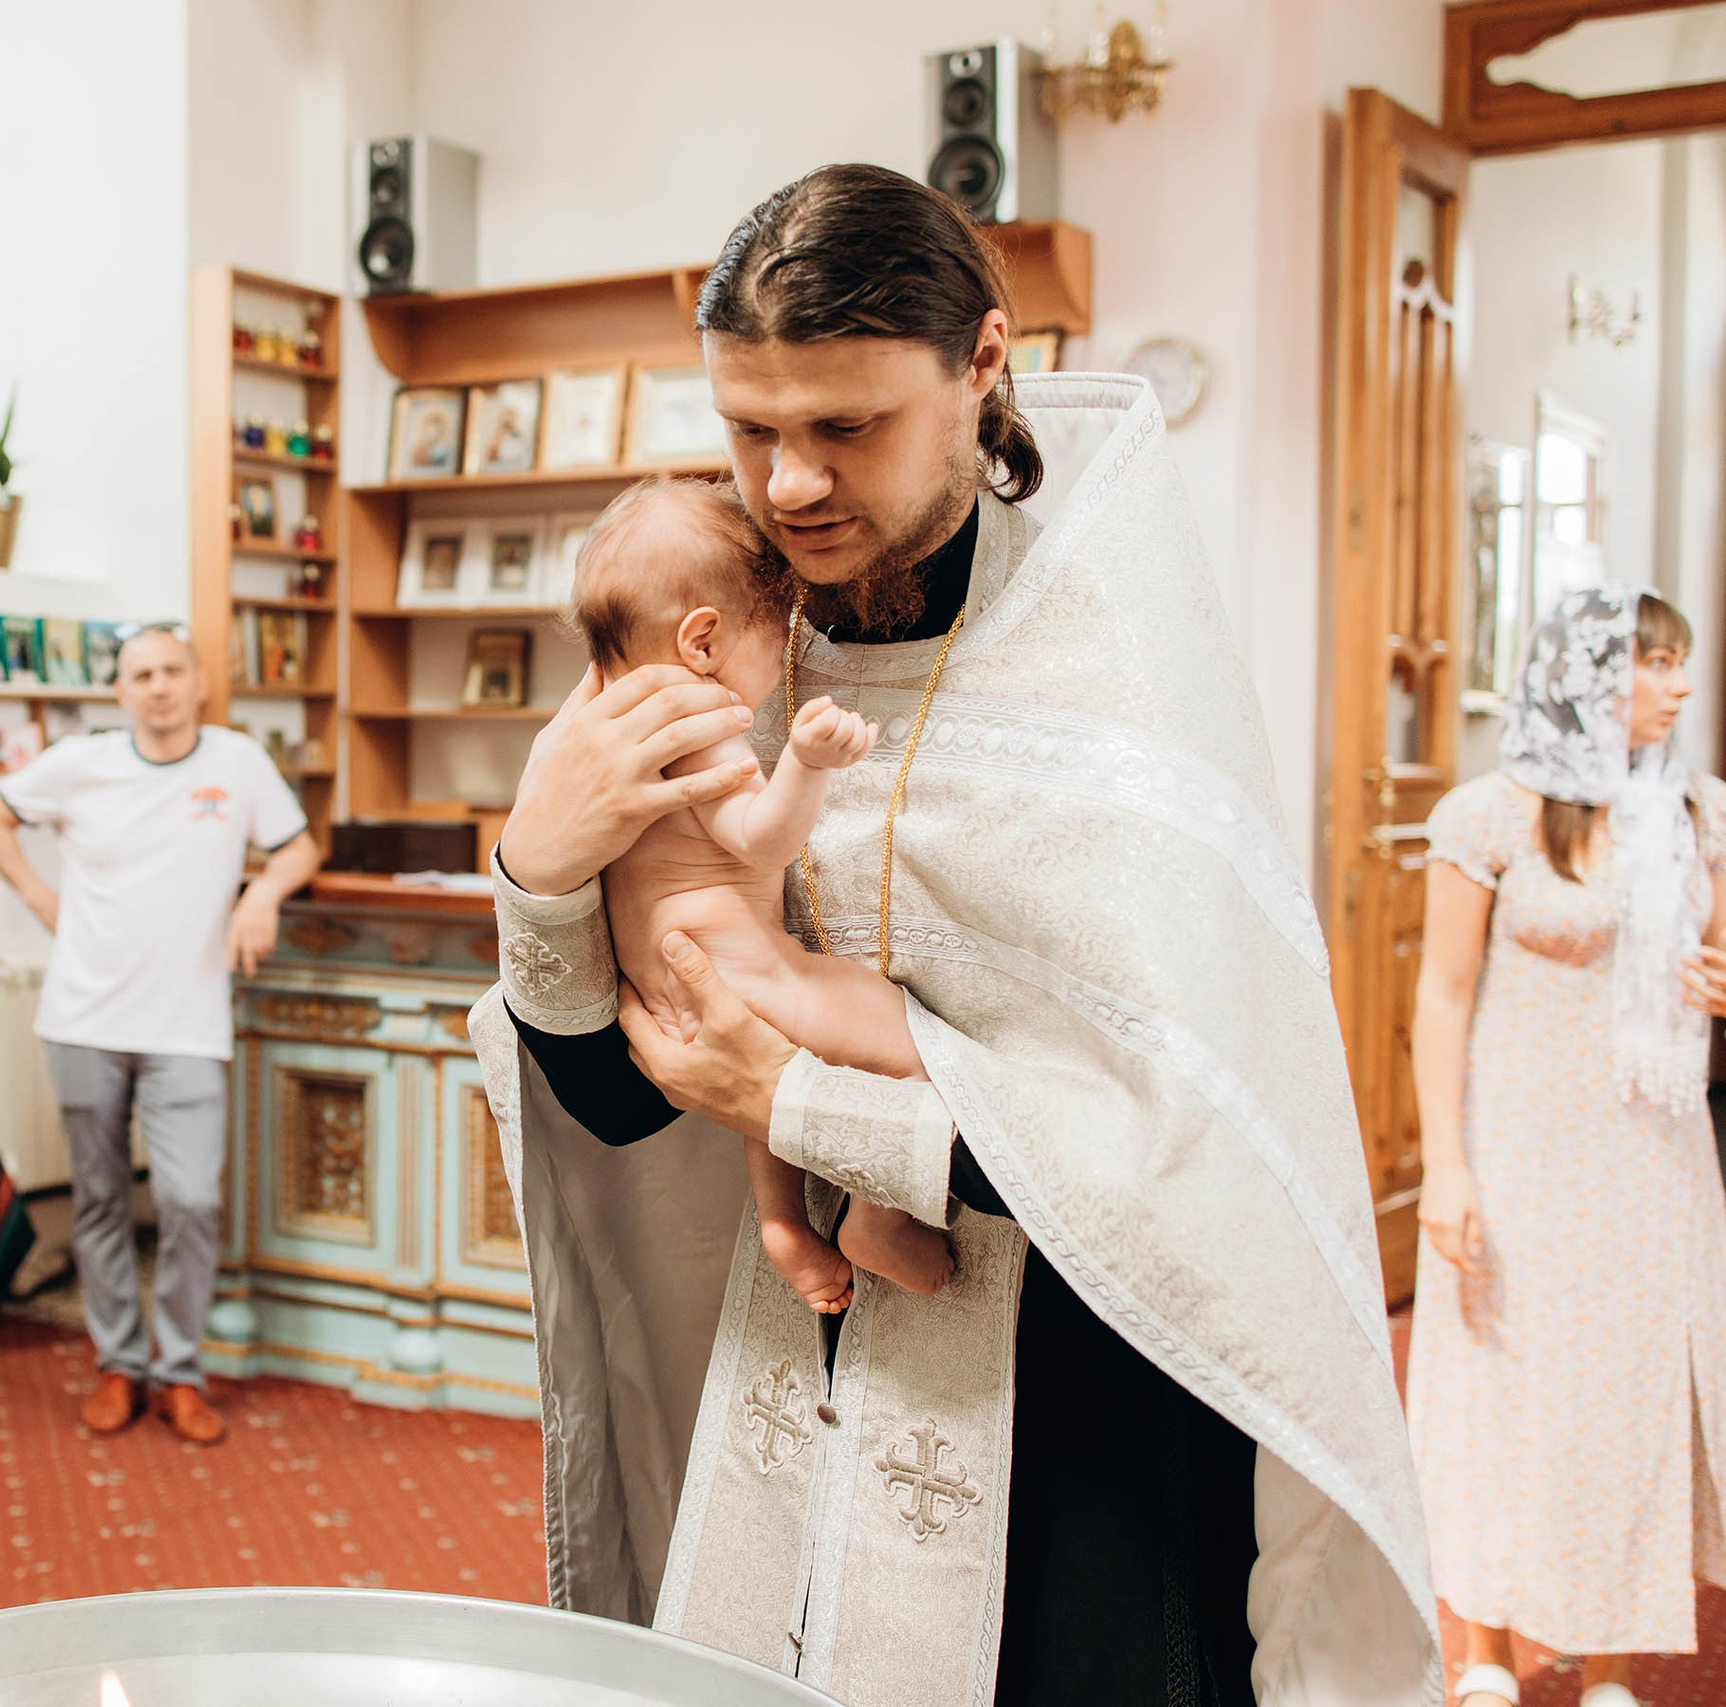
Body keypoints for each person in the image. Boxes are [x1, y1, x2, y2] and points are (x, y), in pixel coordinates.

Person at [468, 164, 1438, 1705]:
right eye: (749, 428)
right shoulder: (722, 625)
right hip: (805, 1377)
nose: (787, 485)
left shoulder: (1107, 661)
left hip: (1082, 1431)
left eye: (844, 425)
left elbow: (1175, 1163)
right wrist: (541, 859)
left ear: (984, 365)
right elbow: (616, 1096)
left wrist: (789, 1100)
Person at [1407, 587, 1726, 1707]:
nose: (1678, 685)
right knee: (1500, 1388)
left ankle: (1611, 1659)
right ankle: (1485, 1647)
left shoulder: (1697, 813)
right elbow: (1441, 1001)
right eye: (1654, 662)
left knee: (1629, 1396)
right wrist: (1443, 1167)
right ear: (1588, 675)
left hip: (1650, 1150)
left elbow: (1718, 959)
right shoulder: (1488, 814)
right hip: (1516, 1145)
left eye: (1680, 664)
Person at [566, 476, 950, 1313]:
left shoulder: (604, 732)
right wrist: (806, 764)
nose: (786, 660)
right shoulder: (696, 724)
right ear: (702, 641)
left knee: (770, 1092)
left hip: (674, 988)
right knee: (918, 1044)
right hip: (744, 973)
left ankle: (782, 1221)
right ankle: (876, 1218)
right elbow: (759, 837)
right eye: (776, 635)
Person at [0, 624, 321, 1444]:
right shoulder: (82, 761)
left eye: (170, 671)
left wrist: (262, 894)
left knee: (190, 1200)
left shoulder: (235, 762)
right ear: (120, 692)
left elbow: (300, 845)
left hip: (187, 1026)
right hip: (83, 1019)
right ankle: (118, 1364)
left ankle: (180, 1371)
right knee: (97, 1199)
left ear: (198, 682)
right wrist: (35, 897)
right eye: (140, 675)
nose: (158, 686)